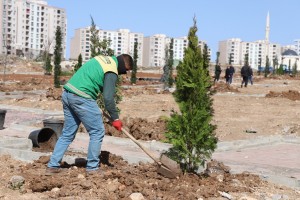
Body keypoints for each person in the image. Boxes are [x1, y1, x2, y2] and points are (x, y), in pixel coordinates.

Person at [46, 54, 133, 175]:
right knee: (97, 131)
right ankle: (92, 168)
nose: (125, 73)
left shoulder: (103, 60)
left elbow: (95, 80)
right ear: (124, 65)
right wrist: (115, 118)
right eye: (126, 70)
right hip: (82, 97)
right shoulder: (112, 69)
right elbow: (108, 98)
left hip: (68, 93)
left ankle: (52, 165)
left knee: (67, 133)